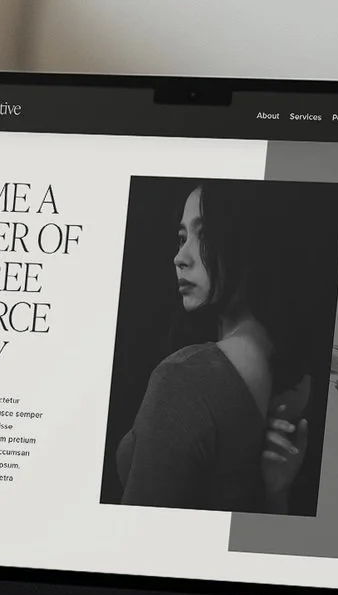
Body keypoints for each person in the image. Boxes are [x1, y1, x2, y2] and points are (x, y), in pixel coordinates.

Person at [112, 186, 312, 512]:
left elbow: (135, 540)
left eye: (203, 236)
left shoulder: (184, 378)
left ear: (248, 243)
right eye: (181, 238)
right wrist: (276, 496)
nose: (180, 257)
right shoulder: (300, 381)